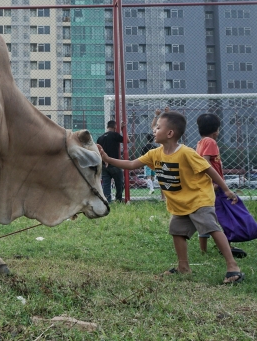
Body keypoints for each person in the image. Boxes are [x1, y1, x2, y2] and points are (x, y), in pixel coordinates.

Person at [97, 111, 244, 284]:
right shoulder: (154, 154)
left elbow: (208, 169)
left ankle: (232, 266)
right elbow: (130, 164)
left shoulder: (186, 153)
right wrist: (107, 158)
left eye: (158, 127)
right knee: (177, 231)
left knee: (211, 228)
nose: (154, 130)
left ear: (169, 133)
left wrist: (226, 190)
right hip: (179, 204)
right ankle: (183, 267)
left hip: (198, 199)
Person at [195, 113, 257, 258]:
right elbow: (205, 163)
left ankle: (210, 249)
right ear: (216, 130)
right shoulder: (210, 142)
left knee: (209, 217)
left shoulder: (200, 142)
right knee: (224, 215)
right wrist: (215, 184)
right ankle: (226, 245)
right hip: (215, 188)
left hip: (206, 188)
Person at [97, 120, 126, 203]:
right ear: (115, 127)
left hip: (104, 164)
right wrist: (122, 129)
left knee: (106, 184)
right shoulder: (115, 135)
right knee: (119, 183)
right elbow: (126, 140)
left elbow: (98, 151)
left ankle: (107, 201)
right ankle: (118, 200)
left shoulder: (100, 138)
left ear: (107, 127)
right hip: (114, 162)